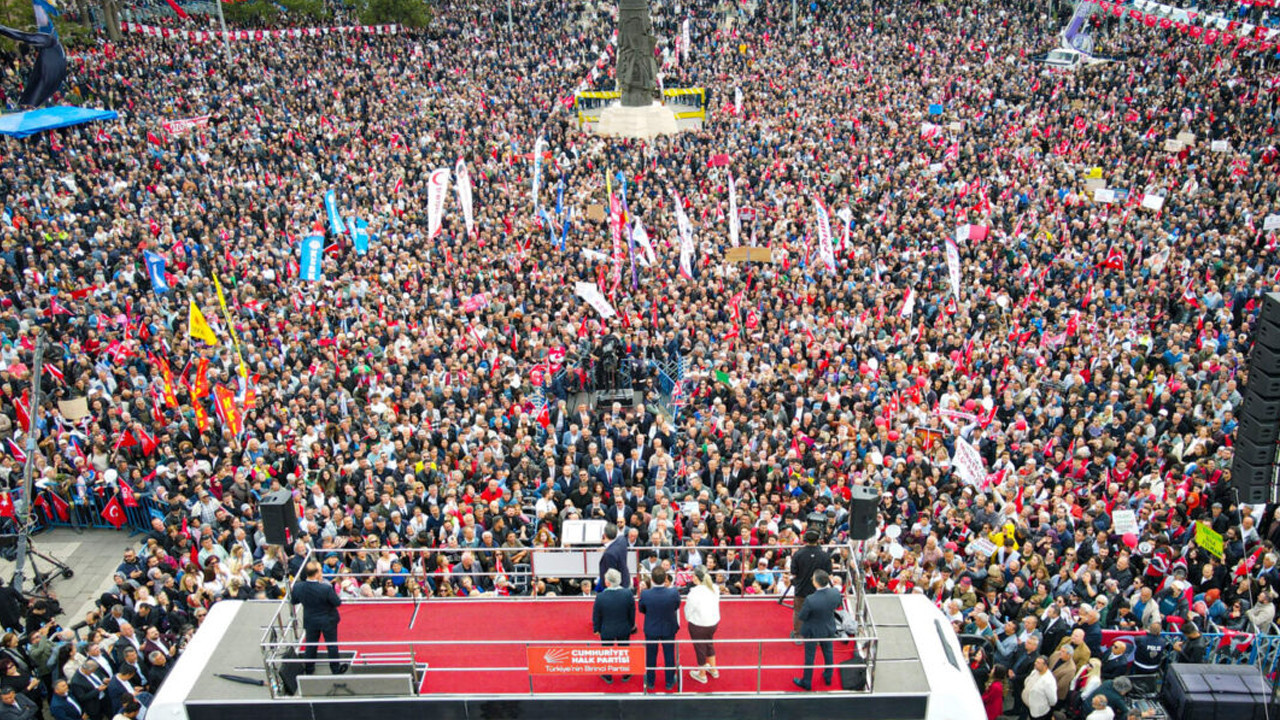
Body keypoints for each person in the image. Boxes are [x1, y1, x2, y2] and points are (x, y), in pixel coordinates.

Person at [289, 561, 345, 675]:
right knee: (331, 645)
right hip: (328, 620)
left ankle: (309, 669)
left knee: (311, 645)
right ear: (317, 573)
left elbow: (294, 601)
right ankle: (335, 669)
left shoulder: (298, 587)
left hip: (311, 620)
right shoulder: (325, 588)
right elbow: (337, 602)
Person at [792, 569, 840, 691]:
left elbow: (802, 616)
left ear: (816, 583)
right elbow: (837, 605)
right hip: (828, 628)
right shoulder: (835, 593)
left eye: (813, 579)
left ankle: (807, 681)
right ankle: (828, 676)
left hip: (813, 632)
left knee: (810, 657)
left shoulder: (810, 599)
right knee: (829, 653)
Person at [638, 566, 680, 692]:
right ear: (665, 578)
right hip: (668, 627)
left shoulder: (645, 594)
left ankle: (650, 682)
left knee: (651, 655)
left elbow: (641, 609)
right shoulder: (673, 593)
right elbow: (676, 606)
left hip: (651, 628)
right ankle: (669, 682)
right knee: (669, 655)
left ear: (652, 579)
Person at [592, 568, 635, 685]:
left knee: (607, 652)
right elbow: (632, 613)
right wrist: (631, 626)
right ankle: (626, 673)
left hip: (607, 629)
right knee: (624, 650)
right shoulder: (628, 594)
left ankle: (607, 675)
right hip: (624, 627)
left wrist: (596, 629)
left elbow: (596, 615)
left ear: (607, 582)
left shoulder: (600, 597)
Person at [789, 529, 831, 641]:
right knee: (818, 613)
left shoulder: (798, 554)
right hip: (819, 590)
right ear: (818, 540)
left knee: (798, 612)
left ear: (805, 540)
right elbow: (828, 574)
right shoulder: (825, 555)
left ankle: (798, 635)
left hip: (801, 589)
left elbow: (793, 572)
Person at [684, 565, 721, 684]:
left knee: (700, 648)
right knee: (709, 643)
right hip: (713, 623)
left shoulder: (694, 593)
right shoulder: (715, 588)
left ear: (696, 578)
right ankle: (713, 669)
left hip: (698, 624)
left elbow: (688, 610)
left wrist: (689, 619)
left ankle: (702, 674)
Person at [1021, 656, 1058, 720]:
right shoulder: (1035, 671)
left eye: (1038, 663)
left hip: (1038, 711)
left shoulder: (1048, 681)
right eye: (1036, 661)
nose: (1035, 663)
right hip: (1029, 705)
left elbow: (1053, 701)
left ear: (1045, 665)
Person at [598, 523, 630, 593]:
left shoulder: (609, 554)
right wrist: (607, 547)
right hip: (625, 579)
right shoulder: (622, 540)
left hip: (616, 588)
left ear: (604, 535)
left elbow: (612, 575)